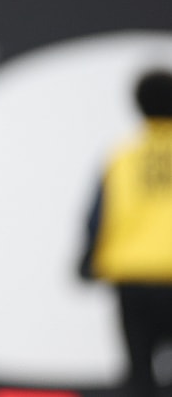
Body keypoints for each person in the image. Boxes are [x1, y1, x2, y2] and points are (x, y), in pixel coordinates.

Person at [79, 69, 172, 397]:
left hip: (134, 278)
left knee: (140, 376)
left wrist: (87, 260)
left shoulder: (123, 157)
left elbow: (98, 215)